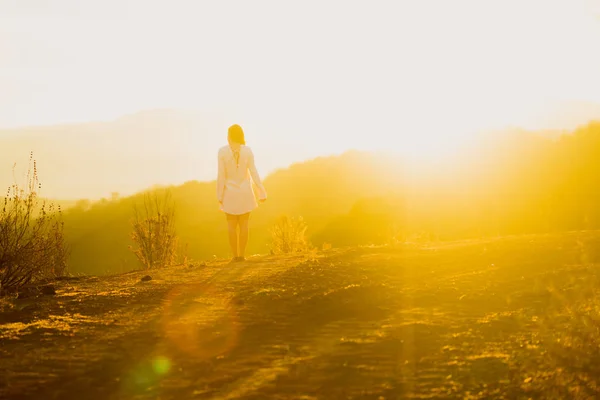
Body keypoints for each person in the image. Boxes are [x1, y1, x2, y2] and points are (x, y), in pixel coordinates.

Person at [217, 124, 267, 262]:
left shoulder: (222, 152)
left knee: (231, 225)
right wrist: (261, 191)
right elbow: (253, 172)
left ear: (230, 136)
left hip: (229, 193)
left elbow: (221, 176)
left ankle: (235, 256)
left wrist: (219, 196)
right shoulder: (247, 151)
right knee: (244, 224)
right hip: (245, 192)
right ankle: (242, 255)